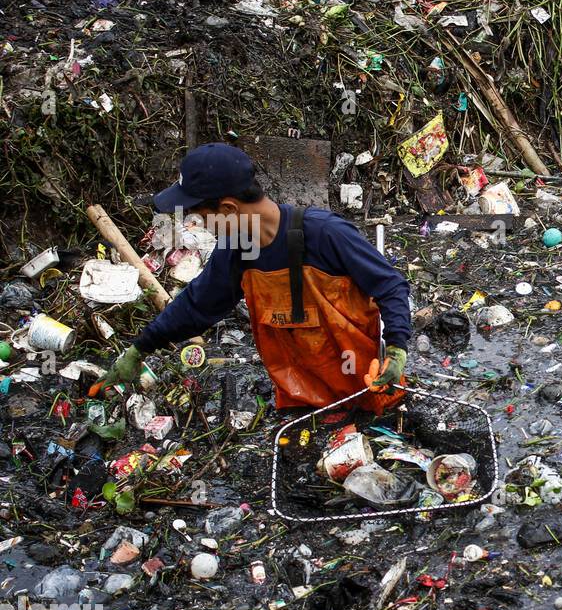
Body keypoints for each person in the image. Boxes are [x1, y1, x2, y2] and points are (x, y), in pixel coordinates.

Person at [95, 143, 412, 413]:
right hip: (301, 398)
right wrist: (140, 349)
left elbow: (389, 286)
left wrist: (396, 350)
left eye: (199, 217)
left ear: (229, 208)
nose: (198, 226)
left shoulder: (325, 233)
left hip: (367, 387)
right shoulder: (237, 251)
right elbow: (196, 305)